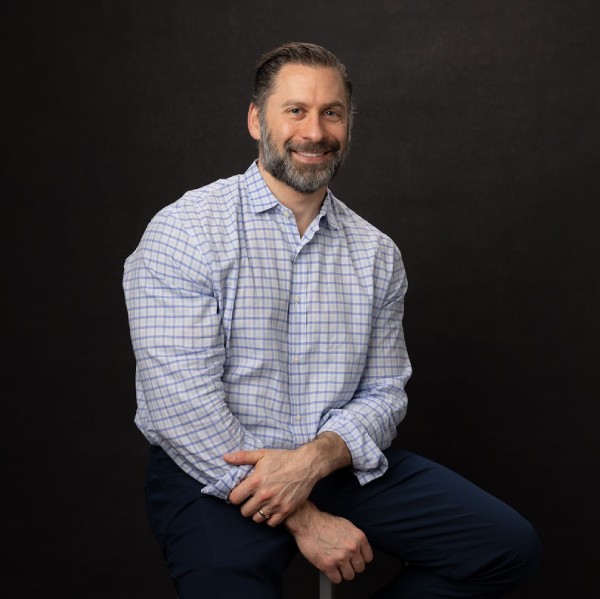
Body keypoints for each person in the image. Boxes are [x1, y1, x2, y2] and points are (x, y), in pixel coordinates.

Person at [123, 42, 540, 598]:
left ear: (349, 124)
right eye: (294, 110)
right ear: (256, 120)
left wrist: (317, 459)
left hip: (336, 468)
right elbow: (182, 407)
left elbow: (386, 392)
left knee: (507, 549)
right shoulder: (186, 230)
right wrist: (303, 516)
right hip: (212, 472)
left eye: (331, 112)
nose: (314, 131)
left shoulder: (376, 253)